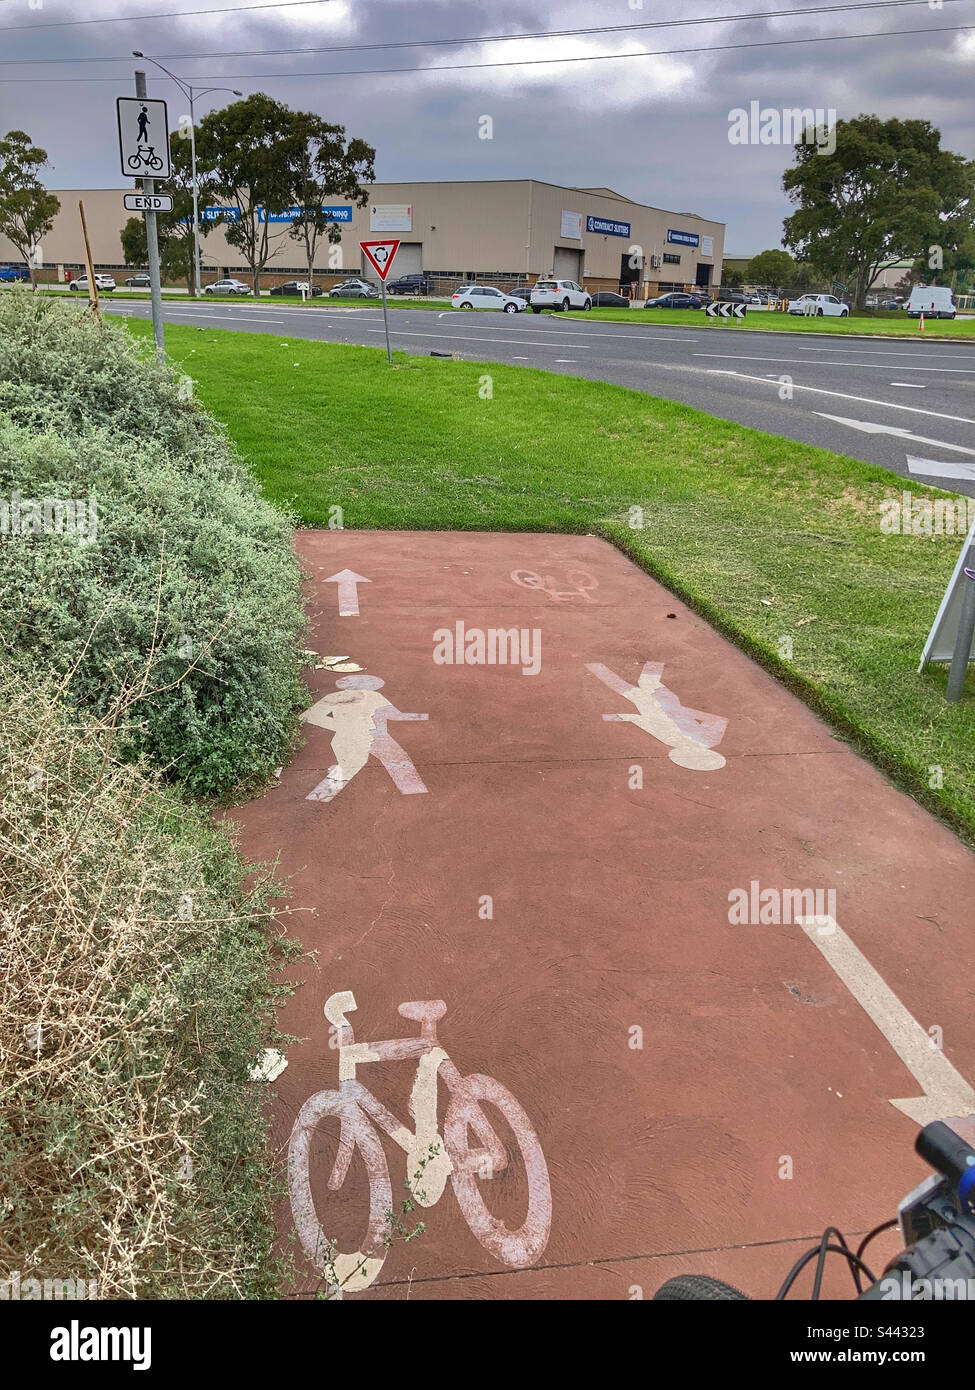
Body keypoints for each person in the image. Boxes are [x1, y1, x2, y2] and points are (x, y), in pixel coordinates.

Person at [302, 674, 429, 802]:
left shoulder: (372, 696)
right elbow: (309, 716)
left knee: (397, 758)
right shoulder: (338, 697)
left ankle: (416, 794)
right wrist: (342, 726)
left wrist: (424, 716)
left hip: (374, 735)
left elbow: (394, 714)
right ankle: (320, 797)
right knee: (351, 767)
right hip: (354, 736)